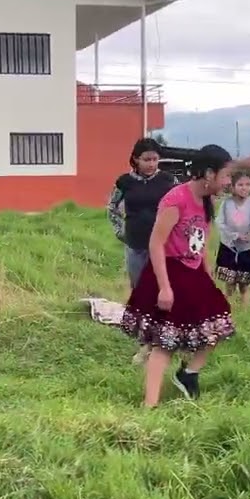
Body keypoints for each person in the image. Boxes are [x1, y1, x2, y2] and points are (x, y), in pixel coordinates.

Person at [119, 144, 236, 406]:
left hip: (194, 273)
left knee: (219, 326)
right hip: (170, 272)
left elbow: (201, 243)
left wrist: (207, 278)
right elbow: (155, 243)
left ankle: (189, 373)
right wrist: (164, 288)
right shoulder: (176, 199)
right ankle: (150, 405)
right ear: (209, 174)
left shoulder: (208, 201)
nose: (229, 182)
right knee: (165, 343)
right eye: (226, 176)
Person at [106, 137, 177, 364]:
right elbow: (112, 208)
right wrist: (120, 233)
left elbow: (180, 208)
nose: (151, 163)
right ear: (136, 159)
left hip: (164, 245)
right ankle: (144, 340)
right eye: (147, 159)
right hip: (135, 244)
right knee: (140, 291)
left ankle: (164, 338)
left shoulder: (168, 180)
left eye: (155, 159)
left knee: (162, 289)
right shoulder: (124, 182)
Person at [214, 171, 250, 305]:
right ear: (233, 187)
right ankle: (226, 312)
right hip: (229, 247)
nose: (244, 188)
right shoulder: (226, 203)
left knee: (244, 285)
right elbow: (220, 223)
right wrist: (235, 235)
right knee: (229, 285)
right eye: (240, 184)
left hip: (247, 249)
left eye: (248, 184)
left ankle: (246, 312)